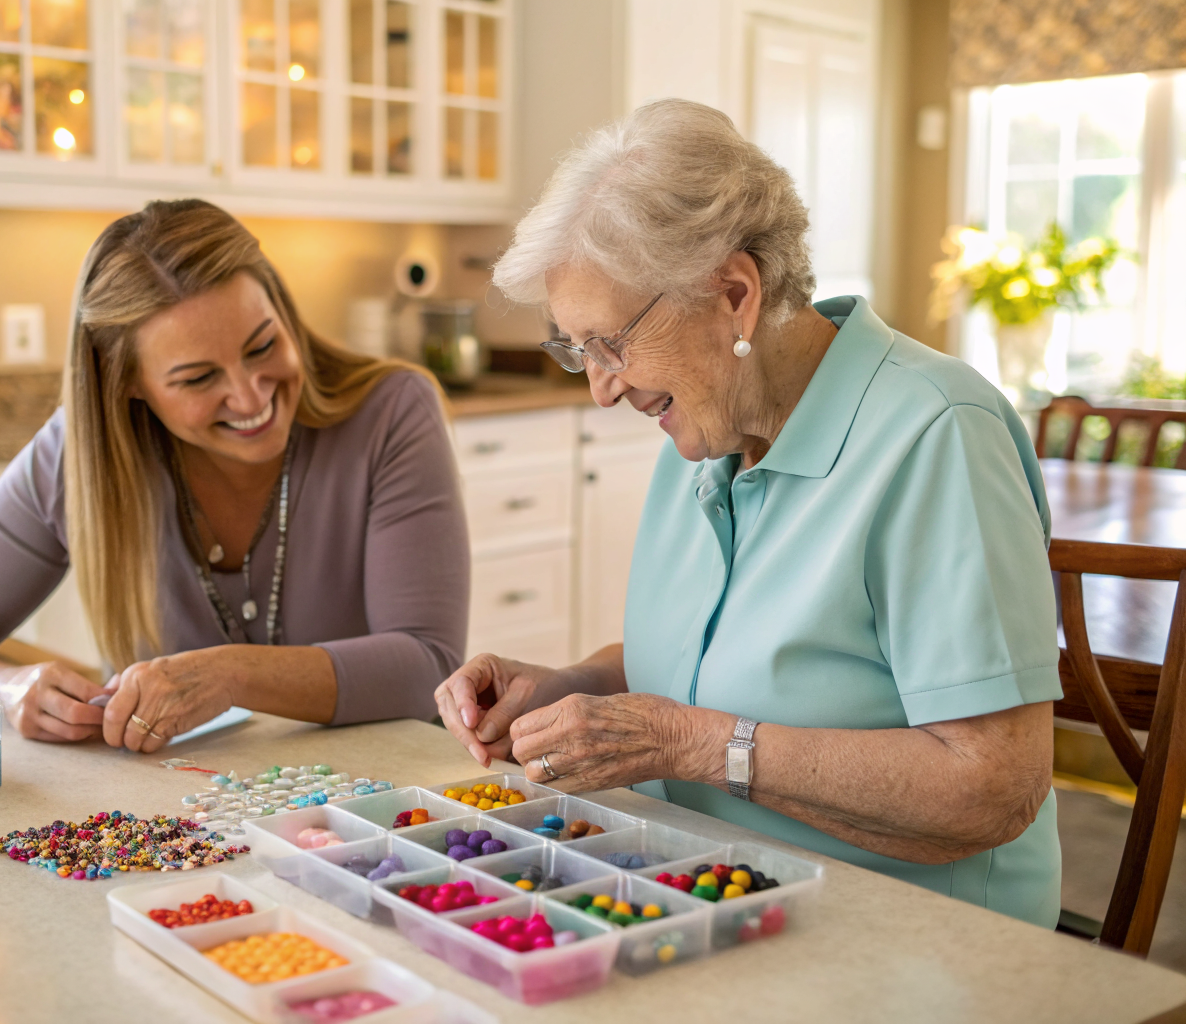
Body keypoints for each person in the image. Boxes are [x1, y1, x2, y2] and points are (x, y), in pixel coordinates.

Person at [435, 100, 1063, 926]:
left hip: (905, 936)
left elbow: (991, 788)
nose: (600, 385)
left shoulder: (937, 431)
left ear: (733, 294)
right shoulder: (705, 431)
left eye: (610, 343)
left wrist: (684, 742)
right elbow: (734, 655)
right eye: (575, 348)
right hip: (705, 896)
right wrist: (571, 688)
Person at [0, 199, 469, 752]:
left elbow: (428, 665)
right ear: (127, 384)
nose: (248, 395)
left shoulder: (392, 411)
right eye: (197, 378)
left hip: (374, 807)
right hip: (179, 823)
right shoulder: (79, 456)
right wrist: (5, 686)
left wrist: (229, 673)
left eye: (262, 346)